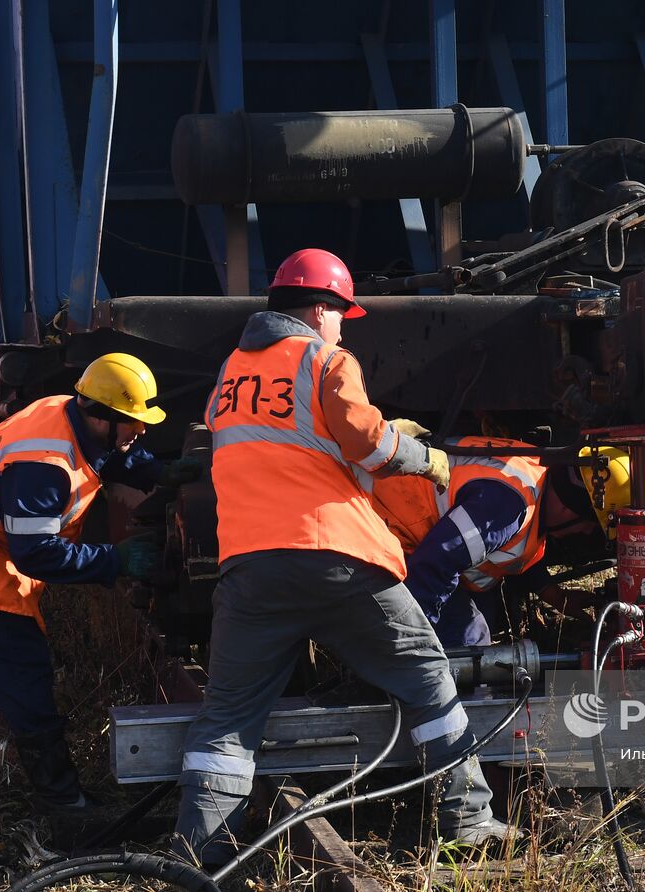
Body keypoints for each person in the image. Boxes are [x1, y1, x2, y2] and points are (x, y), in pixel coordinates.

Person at [176, 248, 508, 865]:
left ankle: (201, 854)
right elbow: (369, 444)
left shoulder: (230, 372)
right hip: (336, 555)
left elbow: (276, 448)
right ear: (322, 308)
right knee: (428, 678)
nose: (341, 325)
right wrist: (424, 457)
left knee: (226, 720)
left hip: (248, 567)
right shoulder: (326, 359)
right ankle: (468, 819)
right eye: (340, 313)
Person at [0, 354, 197, 812]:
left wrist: (153, 472)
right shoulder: (42, 466)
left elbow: (105, 452)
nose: (141, 430)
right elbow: (37, 554)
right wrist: (115, 560)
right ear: (101, 416)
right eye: (132, 422)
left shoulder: (67, 409)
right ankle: (67, 811)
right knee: (26, 678)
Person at [369, 440, 628, 647]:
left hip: (413, 538)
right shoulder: (507, 507)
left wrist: (552, 593)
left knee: (485, 619)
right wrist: (411, 643)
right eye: (591, 525)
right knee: (470, 639)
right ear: (572, 505)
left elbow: (508, 549)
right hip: (385, 531)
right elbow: (434, 564)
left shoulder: (534, 477)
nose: (585, 533)